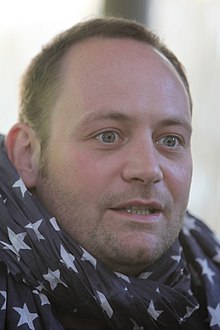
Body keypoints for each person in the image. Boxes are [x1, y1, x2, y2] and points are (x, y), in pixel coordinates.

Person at [0, 16, 219, 330]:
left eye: (170, 140)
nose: (148, 169)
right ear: (27, 155)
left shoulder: (210, 277)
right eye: (108, 136)